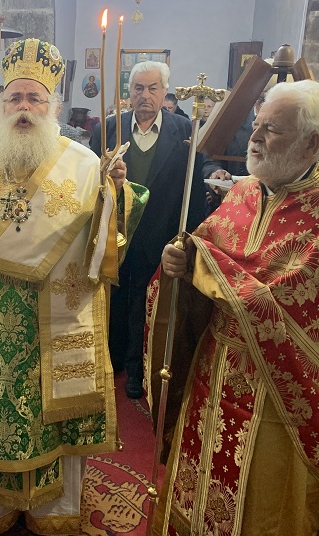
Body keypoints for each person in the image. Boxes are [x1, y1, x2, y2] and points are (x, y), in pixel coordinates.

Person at [147, 80, 319, 535]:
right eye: (257, 124)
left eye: (272, 129)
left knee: (265, 504)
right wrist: (180, 263)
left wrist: (213, 271)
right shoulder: (245, 191)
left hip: (289, 393)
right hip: (216, 371)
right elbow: (206, 253)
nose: (255, 138)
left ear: (312, 142)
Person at [0, 38, 148, 534]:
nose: (24, 108)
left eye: (35, 99)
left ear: (54, 106)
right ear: (1, 105)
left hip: (57, 320)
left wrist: (116, 191)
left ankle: (54, 508)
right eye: (15, 98)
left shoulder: (84, 164)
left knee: (52, 417)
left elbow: (113, 238)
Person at [90, 60, 207, 399]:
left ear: (165, 92)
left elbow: (193, 186)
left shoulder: (185, 130)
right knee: (113, 297)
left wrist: (191, 238)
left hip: (160, 233)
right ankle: (111, 359)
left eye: (153, 88)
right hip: (116, 230)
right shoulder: (108, 129)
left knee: (146, 303)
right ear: (128, 93)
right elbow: (89, 177)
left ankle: (137, 369)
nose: (145, 95)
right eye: (138, 88)